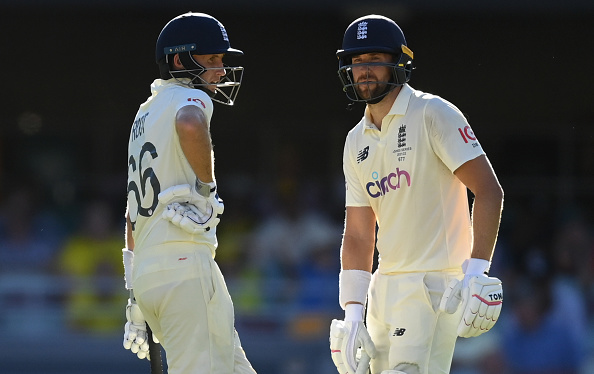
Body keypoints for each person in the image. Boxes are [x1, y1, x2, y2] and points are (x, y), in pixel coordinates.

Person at [328, 15, 504, 374]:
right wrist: (352, 310)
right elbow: (360, 234)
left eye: (374, 59)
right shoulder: (354, 141)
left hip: (433, 284)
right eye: (357, 62)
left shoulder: (432, 113)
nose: (365, 71)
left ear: (398, 62)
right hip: (384, 285)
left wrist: (476, 273)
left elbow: (488, 191)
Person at [121, 12, 256, 374]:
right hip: (184, 267)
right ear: (180, 61)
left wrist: (134, 286)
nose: (221, 70)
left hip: (151, 271)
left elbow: (132, 210)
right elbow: (189, 123)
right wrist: (205, 192)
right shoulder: (188, 98)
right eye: (212, 60)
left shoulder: (143, 113)